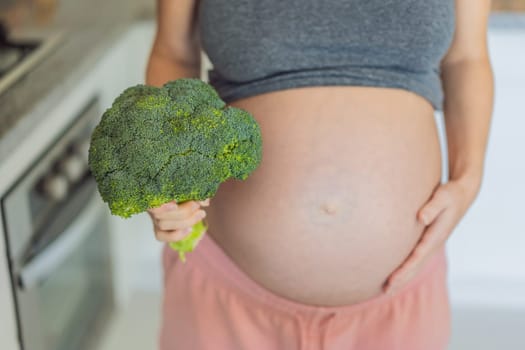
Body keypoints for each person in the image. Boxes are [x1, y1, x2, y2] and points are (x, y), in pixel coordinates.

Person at [146, 0, 494, 349]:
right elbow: (174, 53)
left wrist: (468, 180)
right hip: (224, 287)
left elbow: (466, 58)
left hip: (398, 302)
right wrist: (171, 171)